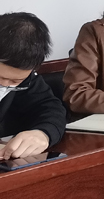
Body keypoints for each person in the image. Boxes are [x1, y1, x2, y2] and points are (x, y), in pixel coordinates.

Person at [0, 13, 67, 159]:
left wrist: (43, 133)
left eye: (15, 82)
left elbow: (49, 107)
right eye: (0, 77)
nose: (5, 84)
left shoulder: (27, 78)